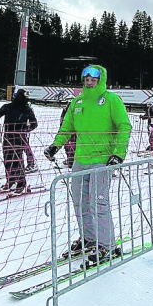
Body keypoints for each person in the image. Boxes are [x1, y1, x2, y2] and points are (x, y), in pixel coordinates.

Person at [43, 65, 131, 265]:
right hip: (80, 160)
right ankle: (89, 238)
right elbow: (67, 127)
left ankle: (108, 245)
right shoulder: (77, 101)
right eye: (86, 79)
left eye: (93, 79)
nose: (89, 82)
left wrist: (118, 153)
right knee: (80, 202)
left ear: (101, 80)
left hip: (101, 160)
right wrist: (55, 146)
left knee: (98, 203)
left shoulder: (111, 100)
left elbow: (124, 126)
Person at [0, 88, 38, 194]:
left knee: (17, 160)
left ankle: (21, 183)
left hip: (18, 138)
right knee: (8, 160)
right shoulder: (9, 107)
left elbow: (34, 124)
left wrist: (25, 130)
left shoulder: (26, 109)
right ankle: (11, 181)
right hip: (9, 138)